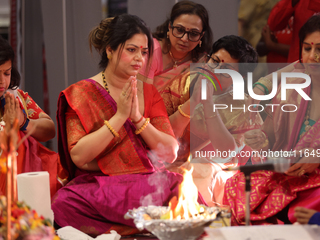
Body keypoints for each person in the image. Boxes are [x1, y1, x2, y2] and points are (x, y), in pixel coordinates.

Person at [52, 14, 205, 237]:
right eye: (131, 50)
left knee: (179, 184)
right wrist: (119, 116)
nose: (139, 59)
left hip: (148, 184)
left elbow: (170, 153)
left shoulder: (148, 91)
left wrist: (137, 119)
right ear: (110, 50)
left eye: (144, 52)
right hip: (100, 187)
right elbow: (79, 157)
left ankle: (137, 229)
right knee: (63, 203)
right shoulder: (80, 94)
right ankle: (149, 227)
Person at [223, 14, 320, 225]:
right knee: (238, 183)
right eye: (307, 48)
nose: (312, 56)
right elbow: (270, 140)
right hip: (289, 176)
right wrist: (262, 141)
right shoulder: (291, 89)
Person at [160, 35, 262, 206]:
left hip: (216, 169)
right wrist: (192, 102)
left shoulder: (244, 107)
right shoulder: (182, 84)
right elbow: (162, 133)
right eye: (214, 61)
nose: (215, 70)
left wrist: (207, 103)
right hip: (171, 159)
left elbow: (226, 153)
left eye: (226, 69)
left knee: (199, 171)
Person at [0, 36, 58, 197]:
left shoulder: (17, 97)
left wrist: (24, 122)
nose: (2, 81)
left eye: (6, 73)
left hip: (25, 180)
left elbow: (50, 130)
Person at [137, 0, 213, 91]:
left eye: (193, 33)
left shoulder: (202, 62)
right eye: (180, 30)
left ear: (201, 36)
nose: (184, 39)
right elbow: (142, 96)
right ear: (170, 27)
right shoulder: (151, 51)